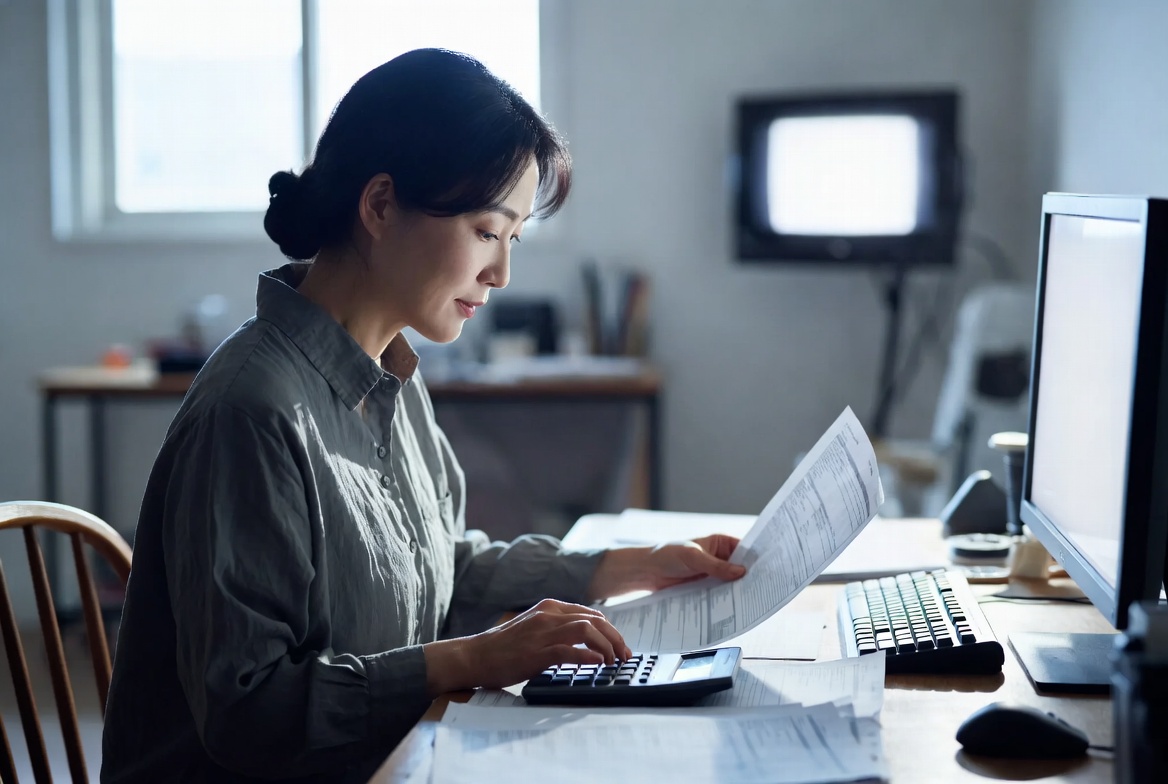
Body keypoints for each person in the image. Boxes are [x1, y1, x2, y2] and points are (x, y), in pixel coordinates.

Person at [101, 48, 745, 784]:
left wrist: (626, 567)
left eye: (514, 240)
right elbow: (248, 711)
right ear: (379, 205)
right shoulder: (251, 410)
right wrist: (474, 658)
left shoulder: (393, 376)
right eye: (485, 231)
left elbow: (444, 566)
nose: (501, 274)